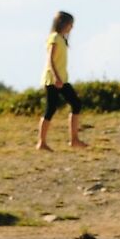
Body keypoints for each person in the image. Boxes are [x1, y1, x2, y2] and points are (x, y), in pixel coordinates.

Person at [37, 10, 83, 152]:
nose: (72, 27)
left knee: (76, 104)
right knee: (50, 109)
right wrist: (56, 77)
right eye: (70, 24)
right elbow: (50, 59)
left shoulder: (62, 39)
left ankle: (74, 139)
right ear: (64, 24)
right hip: (53, 79)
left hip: (62, 79)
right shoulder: (55, 38)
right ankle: (41, 142)